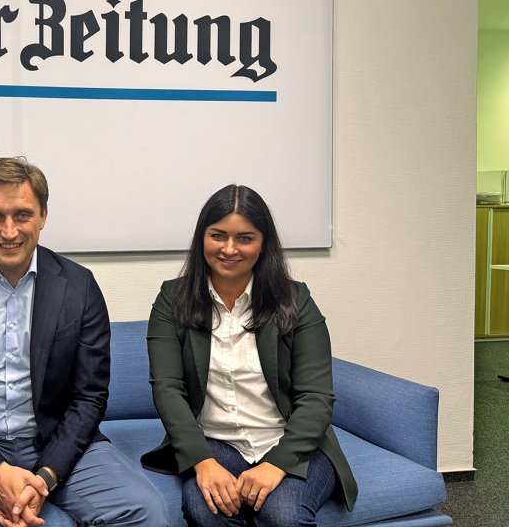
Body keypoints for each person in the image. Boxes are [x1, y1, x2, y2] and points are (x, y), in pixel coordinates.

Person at [0, 157, 166, 527]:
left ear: (43, 216)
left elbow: (90, 397)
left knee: (145, 511)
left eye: (22, 215)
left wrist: (46, 477)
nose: (9, 231)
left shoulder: (80, 286)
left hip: (55, 442)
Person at [140, 184, 358, 527]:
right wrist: (202, 462)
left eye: (245, 238)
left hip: (288, 440)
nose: (229, 249)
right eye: (218, 235)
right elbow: (167, 388)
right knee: (206, 512)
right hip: (215, 443)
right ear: (202, 238)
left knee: (283, 516)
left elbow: (316, 397)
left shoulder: (296, 300)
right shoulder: (173, 298)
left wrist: (276, 464)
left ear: (263, 243)